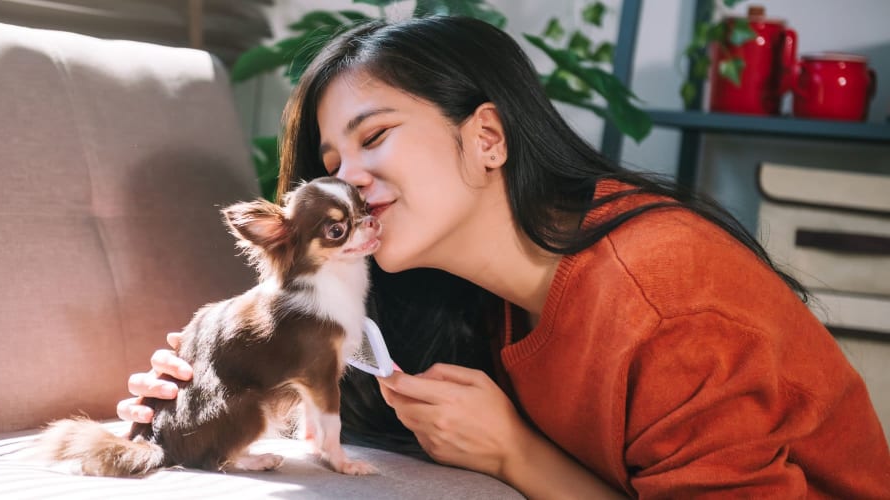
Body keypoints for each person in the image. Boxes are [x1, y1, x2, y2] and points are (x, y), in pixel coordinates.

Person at [116, 16, 890, 498]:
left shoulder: (667, 303)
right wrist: (210, 397)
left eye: (374, 136)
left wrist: (516, 456)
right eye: (331, 159)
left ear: (488, 137)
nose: (346, 180)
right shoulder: (460, 290)